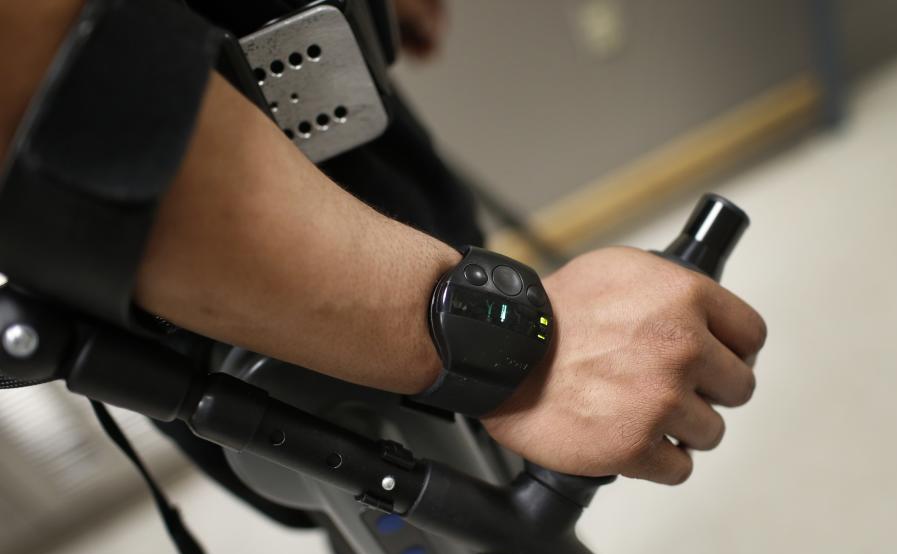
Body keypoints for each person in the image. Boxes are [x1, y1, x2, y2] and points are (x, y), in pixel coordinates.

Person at [0, 0, 765, 514]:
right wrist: (522, 353)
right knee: (443, 550)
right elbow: (34, 82)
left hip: (351, 178)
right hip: (247, 272)